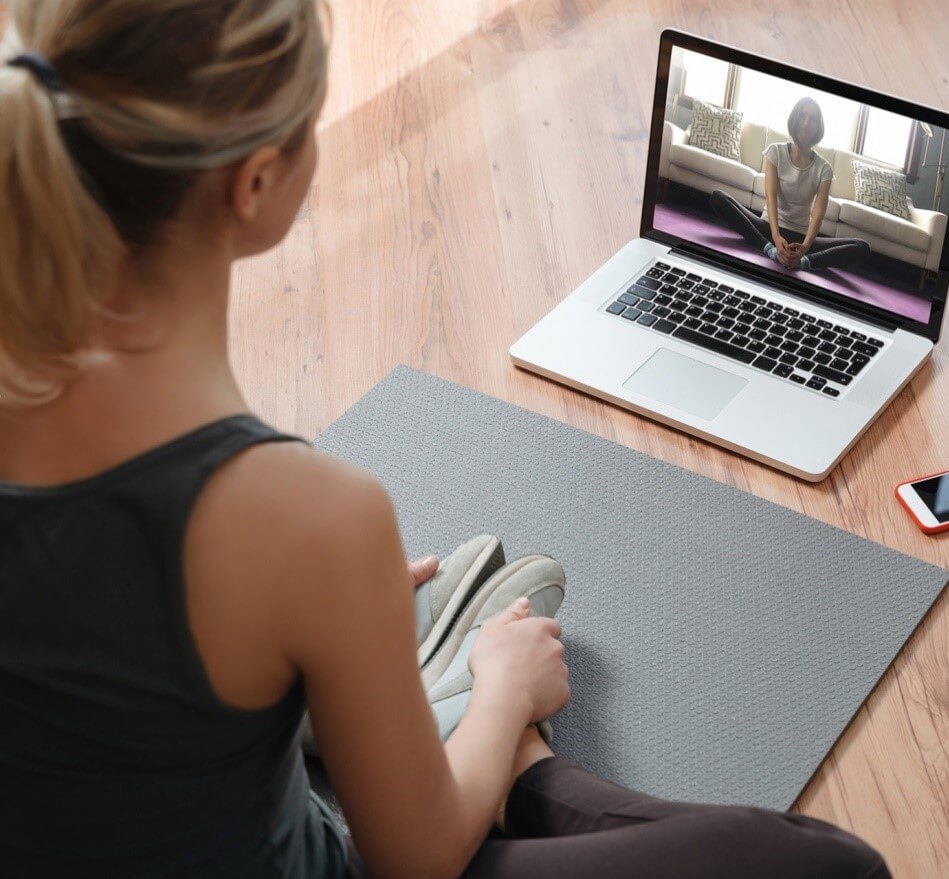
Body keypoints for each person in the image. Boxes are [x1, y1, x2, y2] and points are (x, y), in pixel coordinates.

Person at [0, 2, 890, 878]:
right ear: (256, 182)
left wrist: (320, 619)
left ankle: (316, 687)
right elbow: (415, 856)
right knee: (823, 864)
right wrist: (505, 690)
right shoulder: (304, 517)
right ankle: (509, 757)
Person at [710, 96, 872, 272]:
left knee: (861, 247)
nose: (806, 123)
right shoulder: (775, 152)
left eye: (812, 119)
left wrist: (805, 247)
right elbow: (770, 196)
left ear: (818, 127)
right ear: (795, 119)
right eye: (802, 116)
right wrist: (776, 237)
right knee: (718, 197)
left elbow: (818, 214)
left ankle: (804, 262)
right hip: (769, 229)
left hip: (801, 239)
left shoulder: (824, 168)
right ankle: (770, 251)